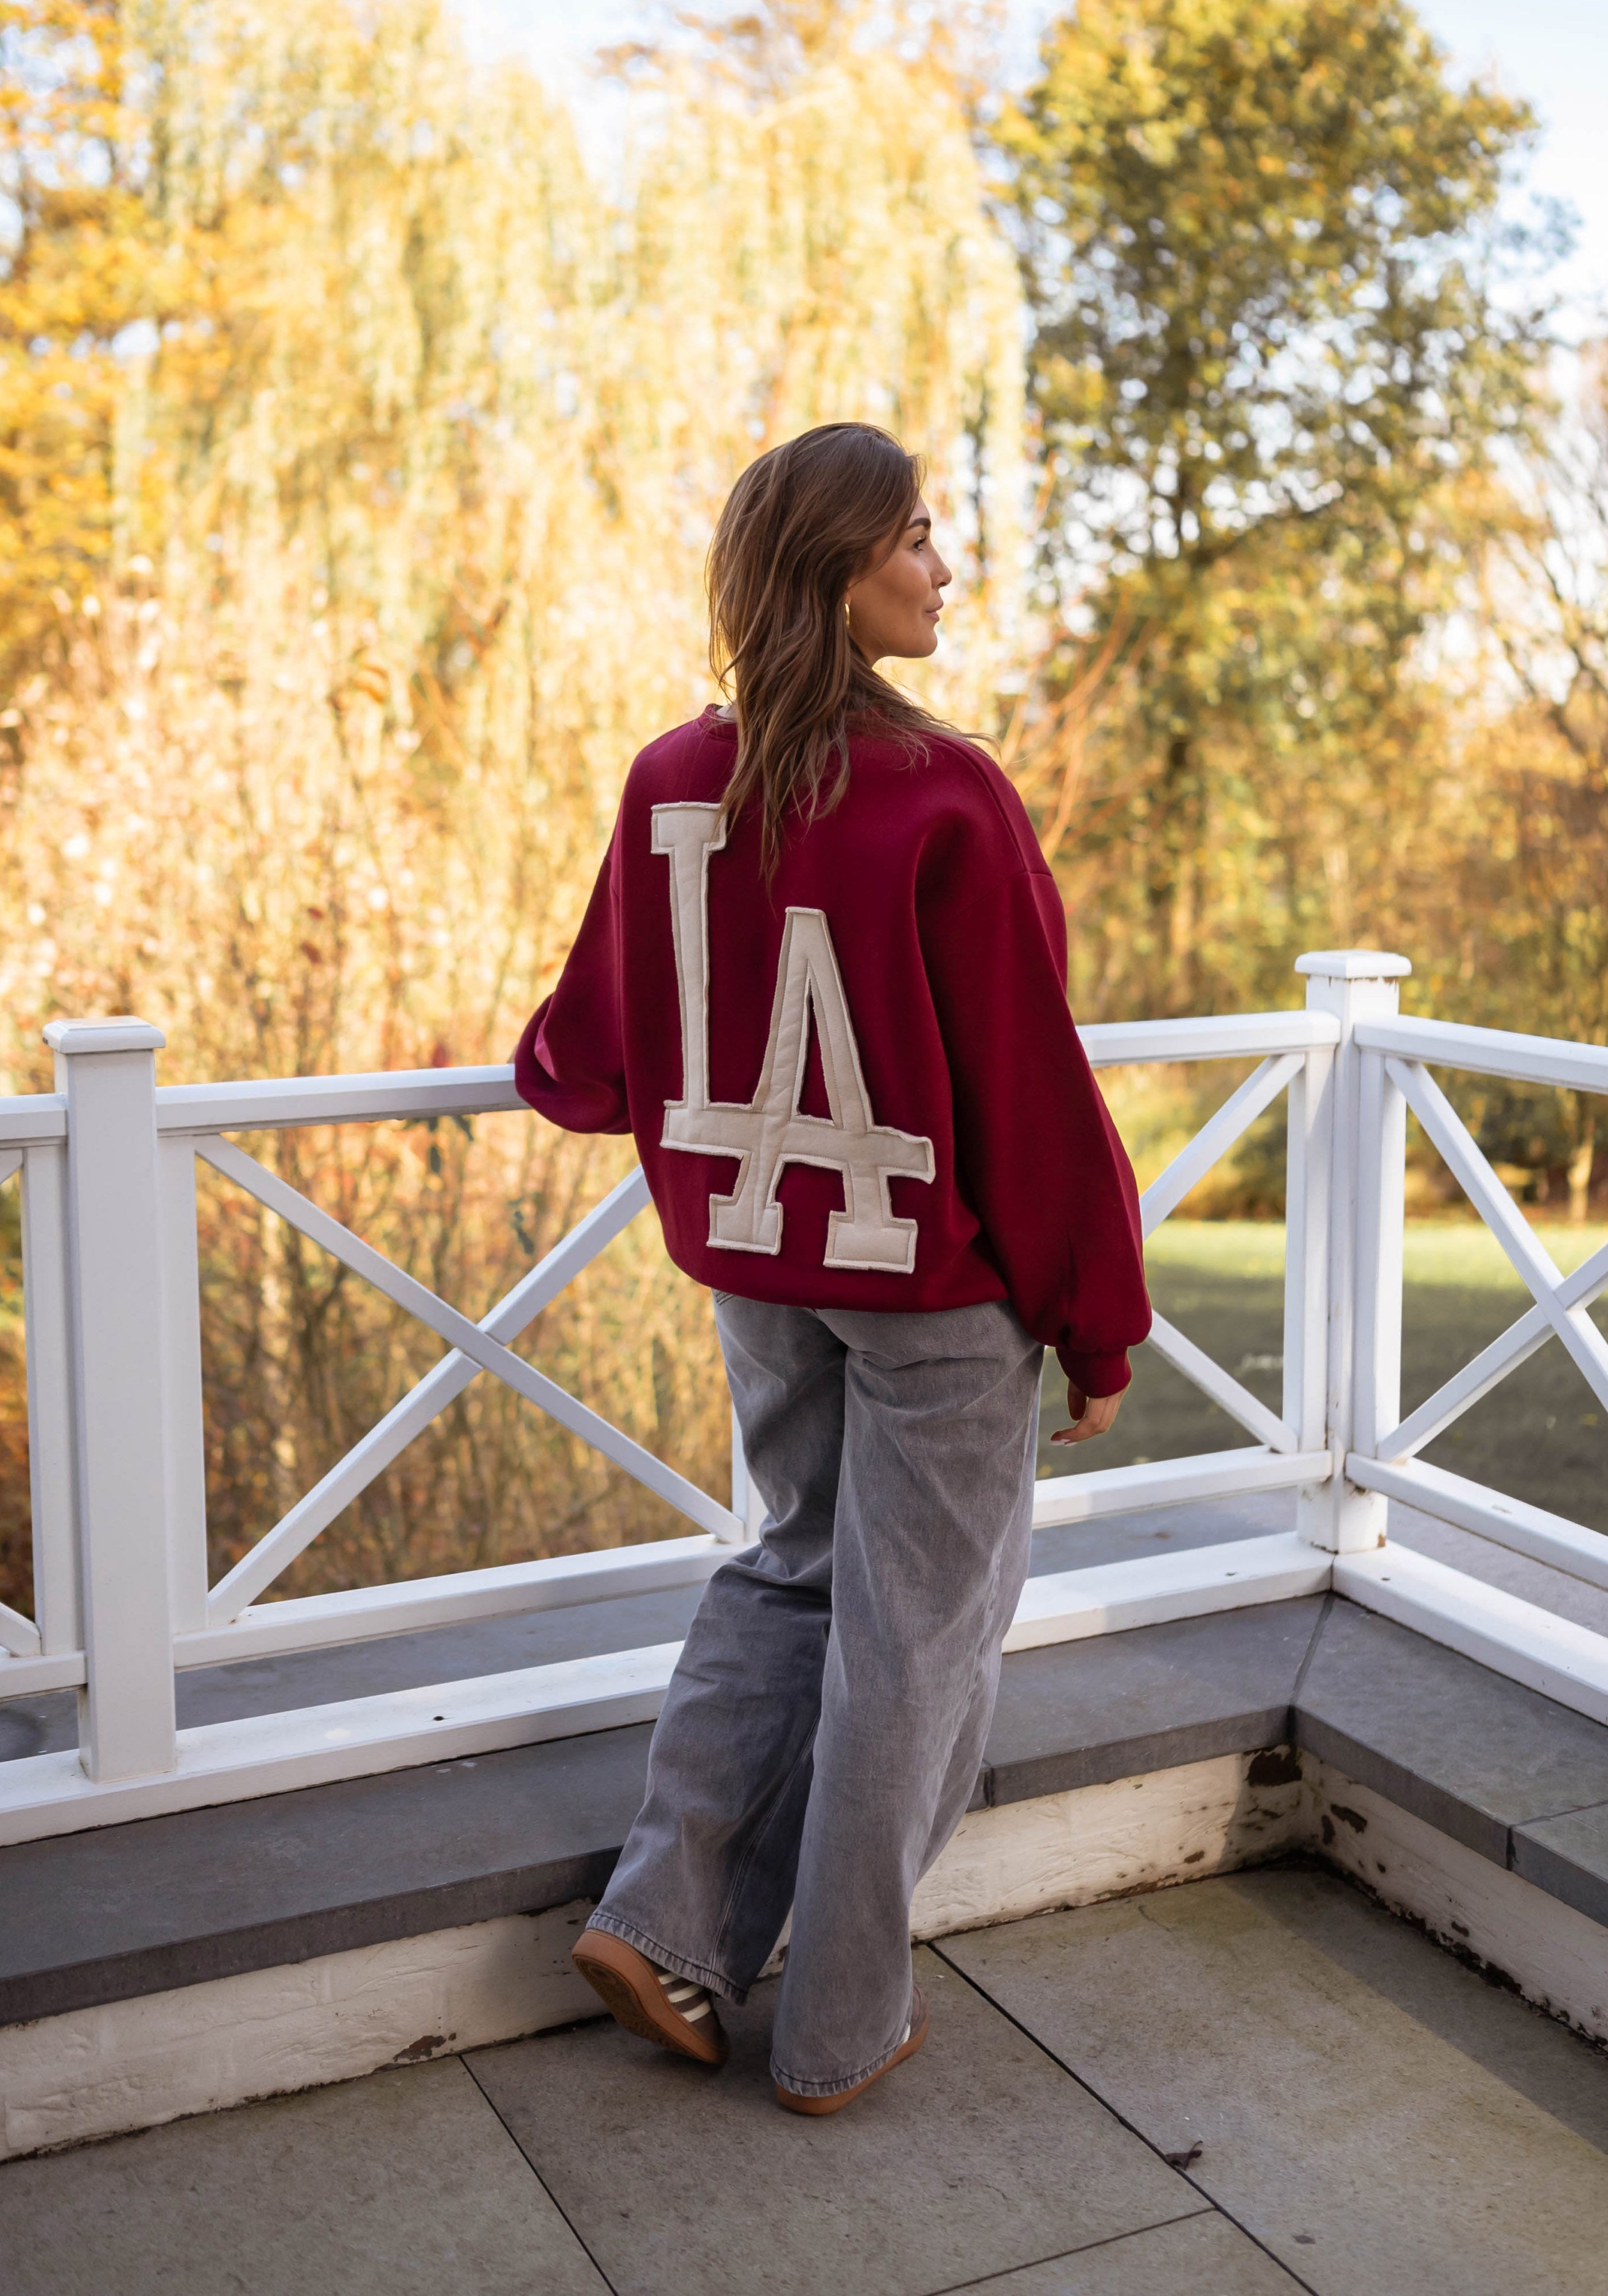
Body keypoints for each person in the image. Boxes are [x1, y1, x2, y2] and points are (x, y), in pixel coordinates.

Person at [514, 421, 1149, 2115]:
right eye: (918, 535)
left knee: (791, 1570)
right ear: (839, 567)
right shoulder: (945, 793)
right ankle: (837, 2023)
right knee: (915, 1642)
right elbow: (1027, 1086)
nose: (944, 567)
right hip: (929, 1293)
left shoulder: (668, 779)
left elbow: (582, 1055)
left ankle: (662, 1918)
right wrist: (1099, 1319)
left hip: (759, 1268)